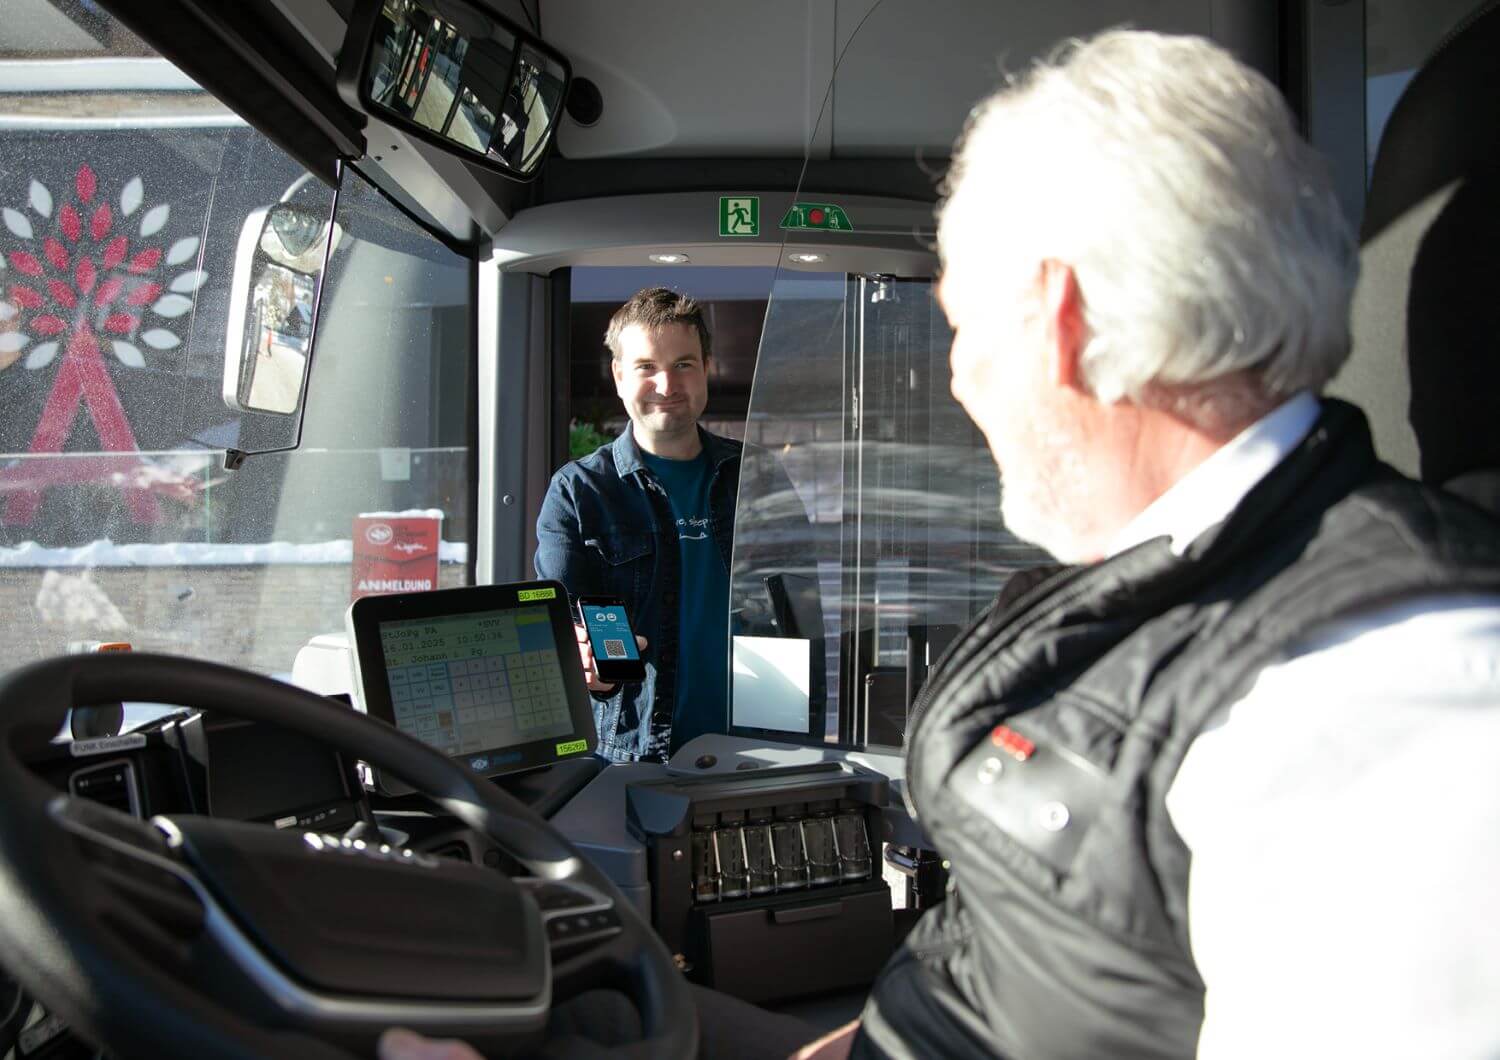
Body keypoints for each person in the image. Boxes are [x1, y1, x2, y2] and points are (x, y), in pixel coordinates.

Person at [385, 28, 1500, 1060]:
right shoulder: (1171, 585)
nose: (960, 381)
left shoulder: (1388, 706)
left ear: (1053, 319)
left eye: (962, 328)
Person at [534, 287, 741, 763]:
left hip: (756, 744)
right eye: (647, 367)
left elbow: (797, 612)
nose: (667, 385)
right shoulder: (579, 492)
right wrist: (589, 667)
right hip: (635, 756)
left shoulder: (756, 476)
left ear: (707, 368)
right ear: (619, 375)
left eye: (684, 364)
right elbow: (565, 631)